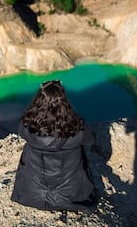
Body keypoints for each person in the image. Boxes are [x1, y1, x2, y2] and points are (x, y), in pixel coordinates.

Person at [11, 80, 97, 214]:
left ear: (38, 100)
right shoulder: (76, 129)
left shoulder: (26, 125)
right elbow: (91, 140)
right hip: (70, 196)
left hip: (32, 194)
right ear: (64, 102)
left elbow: (21, 133)